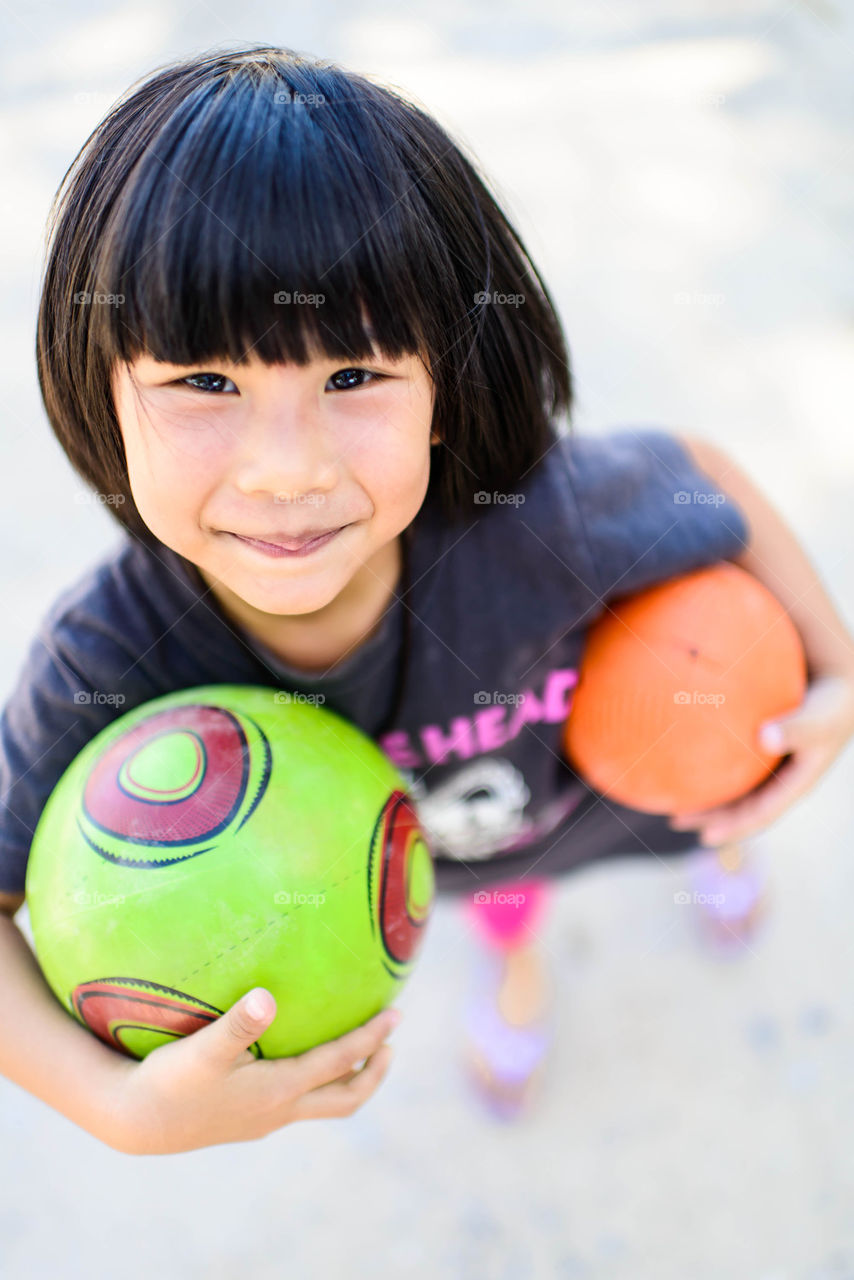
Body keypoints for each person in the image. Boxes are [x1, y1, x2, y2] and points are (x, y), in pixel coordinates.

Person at [1, 43, 853, 1151]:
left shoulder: (531, 520)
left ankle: (715, 842)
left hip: (605, 792)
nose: (285, 468)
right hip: (457, 850)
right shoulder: (105, 659)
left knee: (700, 774)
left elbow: (704, 471)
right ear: (100, 392)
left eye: (351, 378)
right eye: (204, 383)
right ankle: (514, 952)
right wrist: (110, 1104)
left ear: (447, 391)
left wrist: (832, 668)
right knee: (492, 890)